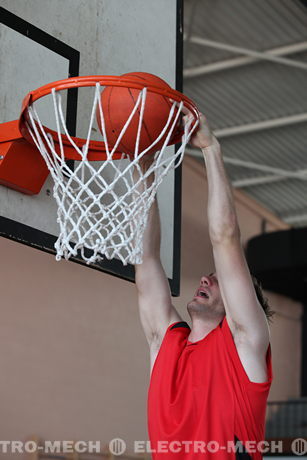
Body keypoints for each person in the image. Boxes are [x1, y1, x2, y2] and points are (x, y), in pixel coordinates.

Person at [134, 113, 273, 459]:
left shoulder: (244, 345)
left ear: (241, 304)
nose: (206, 279)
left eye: (218, 278)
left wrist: (210, 148)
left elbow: (225, 237)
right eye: (208, 275)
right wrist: (142, 166)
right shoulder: (164, 344)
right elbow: (145, 256)